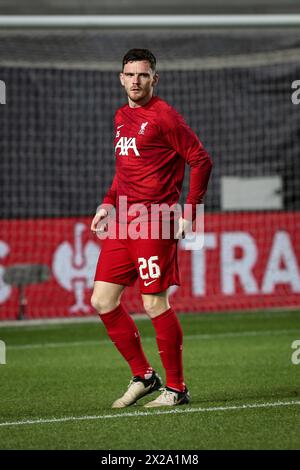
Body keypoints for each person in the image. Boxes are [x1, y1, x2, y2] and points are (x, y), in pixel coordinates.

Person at [91, 48, 212, 408]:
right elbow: (124, 170)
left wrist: (191, 213)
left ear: (154, 79)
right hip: (123, 220)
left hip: (154, 221)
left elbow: (201, 160)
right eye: (130, 74)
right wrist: (108, 203)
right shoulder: (120, 116)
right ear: (121, 78)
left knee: (153, 302)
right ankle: (144, 376)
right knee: (102, 300)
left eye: (143, 75)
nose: (136, 81)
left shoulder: (165, 117)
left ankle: (176, 389)